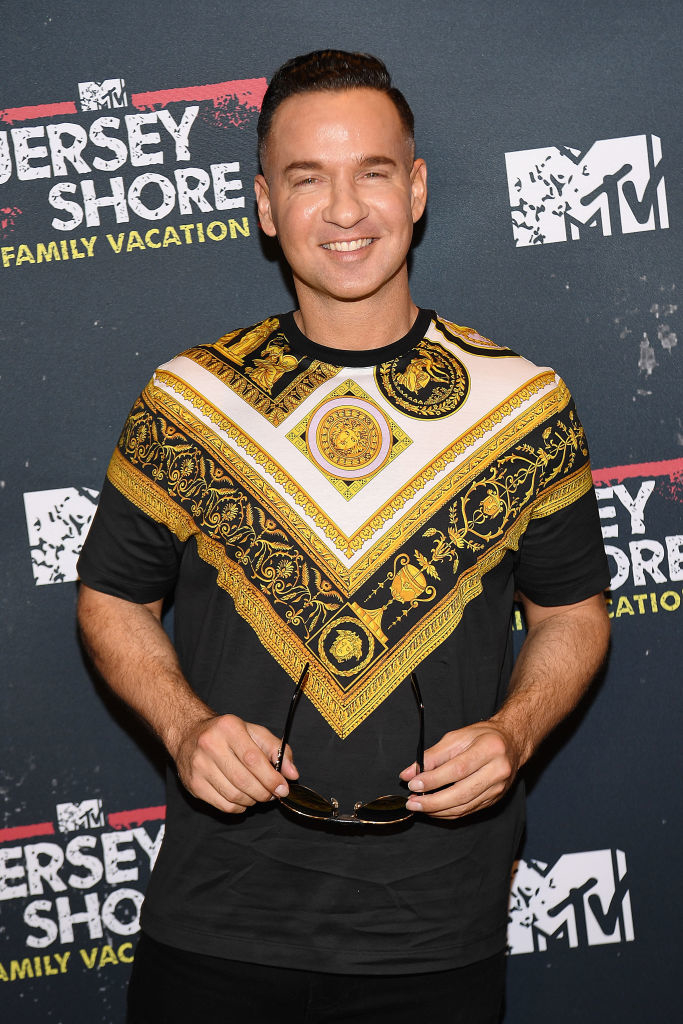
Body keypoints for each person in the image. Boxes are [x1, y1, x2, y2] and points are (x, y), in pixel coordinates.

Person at [76, 50, 611, 1024]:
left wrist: (514, 729)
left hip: (433, 936)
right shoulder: (187, 400)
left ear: (412, 189)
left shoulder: (524, 403)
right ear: (264, 206)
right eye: (305, 177)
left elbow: (571, 610)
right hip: (213, 925)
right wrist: (185, 724)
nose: (344, 209)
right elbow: (111, 594)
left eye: (370, 171)